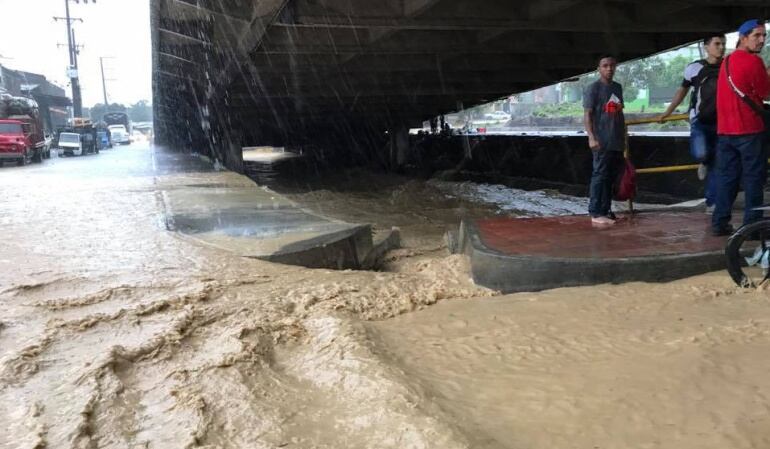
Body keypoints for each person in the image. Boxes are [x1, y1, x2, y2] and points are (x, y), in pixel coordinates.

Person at [711, 19, 770, 236]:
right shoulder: (754, 62)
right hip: (750, 131)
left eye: (764, 35)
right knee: (754, 180)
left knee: (727, 180)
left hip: (725, 132)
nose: (762, 40)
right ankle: (752, 228)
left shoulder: (726, 62)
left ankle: (719, 222)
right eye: (757, 35)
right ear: (743, 38)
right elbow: (765, 92)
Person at [660, 33, 726, 212]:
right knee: (702, 153)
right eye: (717, 44)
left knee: (717, 164)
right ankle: (703, 161)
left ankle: (712, 203)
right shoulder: (694, 68)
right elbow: (682, 90)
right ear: (706, 46)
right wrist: (668, 112)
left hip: (722, 122)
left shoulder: (728, 66)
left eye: (723, 44)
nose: (721, 48)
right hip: (699, 120)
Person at [584, 55, 626, 226]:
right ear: (599, 69)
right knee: (600, 175)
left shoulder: (617, 87)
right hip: (601, 140)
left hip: (616, 140)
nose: (609, 69)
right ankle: (595, 212)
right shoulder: (593, 88)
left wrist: (623, 137)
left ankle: (606, 210)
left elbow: (619, 112)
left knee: (610, 176)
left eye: (612, 65)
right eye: (605, 66)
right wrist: (591, 137)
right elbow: (587, 114)